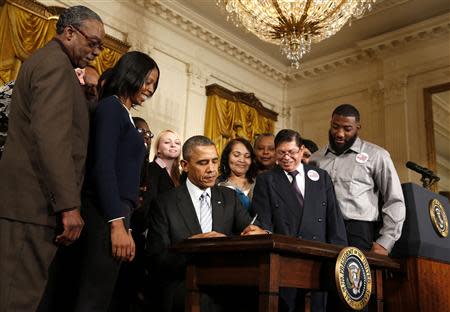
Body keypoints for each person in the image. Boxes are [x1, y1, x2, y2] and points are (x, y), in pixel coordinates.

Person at [0, 6, 104, 312]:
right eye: (93, 42)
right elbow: (52, 140)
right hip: (32, 206)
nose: (97, 52)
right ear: (69, 32)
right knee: (15, 299)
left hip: (29, 205)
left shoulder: (53, 64)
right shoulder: (56, 66)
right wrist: (69, 205)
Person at [74, 51, 160, 311]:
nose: (150, 89)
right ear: (131, 74)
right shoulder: (111, 107)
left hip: (118, 214)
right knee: (91, 298)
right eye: (147, 80)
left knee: (102, 297)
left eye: (154, 85)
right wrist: (117, 225)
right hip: (103, 214)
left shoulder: (124, 113)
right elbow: (104, 168)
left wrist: (127, 226)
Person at [146, 135, 267, 312]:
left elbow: (249, 231)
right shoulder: (165, 203)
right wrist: (190, 246)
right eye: (203, 163)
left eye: (214, 161)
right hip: (184, 284)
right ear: (184, 165)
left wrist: (259, 234)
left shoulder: (229, 198)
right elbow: (156, 259)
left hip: (226, 283)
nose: (211, 169)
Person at [251, 129, 347, 312]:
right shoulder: (267, 180)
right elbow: (263, 221)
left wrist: (340, 255)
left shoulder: (321, 177)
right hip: (285, 261)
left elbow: (334, 219)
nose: (286, 157)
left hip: (319, 259)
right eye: (281, 153)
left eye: (292, 152)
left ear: (302, 150)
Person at [311, 104, 406, 256]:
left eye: (347, 129)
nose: (340, 134)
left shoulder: (377, 155)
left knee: (355, 279)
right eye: (335, 127)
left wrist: (386, 241)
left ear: (358, 127)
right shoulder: (315, 159)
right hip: (322, 230)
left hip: (358, 231)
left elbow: (394, 200)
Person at [217, 137, 257, 210]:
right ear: (227, 156)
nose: (242, 160)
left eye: (247, 156)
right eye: (236, 155)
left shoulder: (259, 183)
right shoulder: (218, 185)